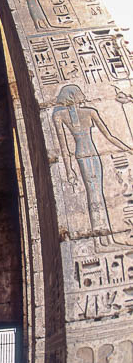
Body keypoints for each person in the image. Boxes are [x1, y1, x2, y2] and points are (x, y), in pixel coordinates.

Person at [53, 84, 131, 245]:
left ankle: (106, 239)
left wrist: (69, 170)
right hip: (90, 155)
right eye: (79, 93)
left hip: (83, 155)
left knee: (95, 194)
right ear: (73, 96)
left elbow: (65, 149)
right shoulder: (88, 112)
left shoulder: (61, 115)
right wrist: (128, 149)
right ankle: (101, 240)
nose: (82, 95)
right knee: (95, 195)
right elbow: (109, 137)